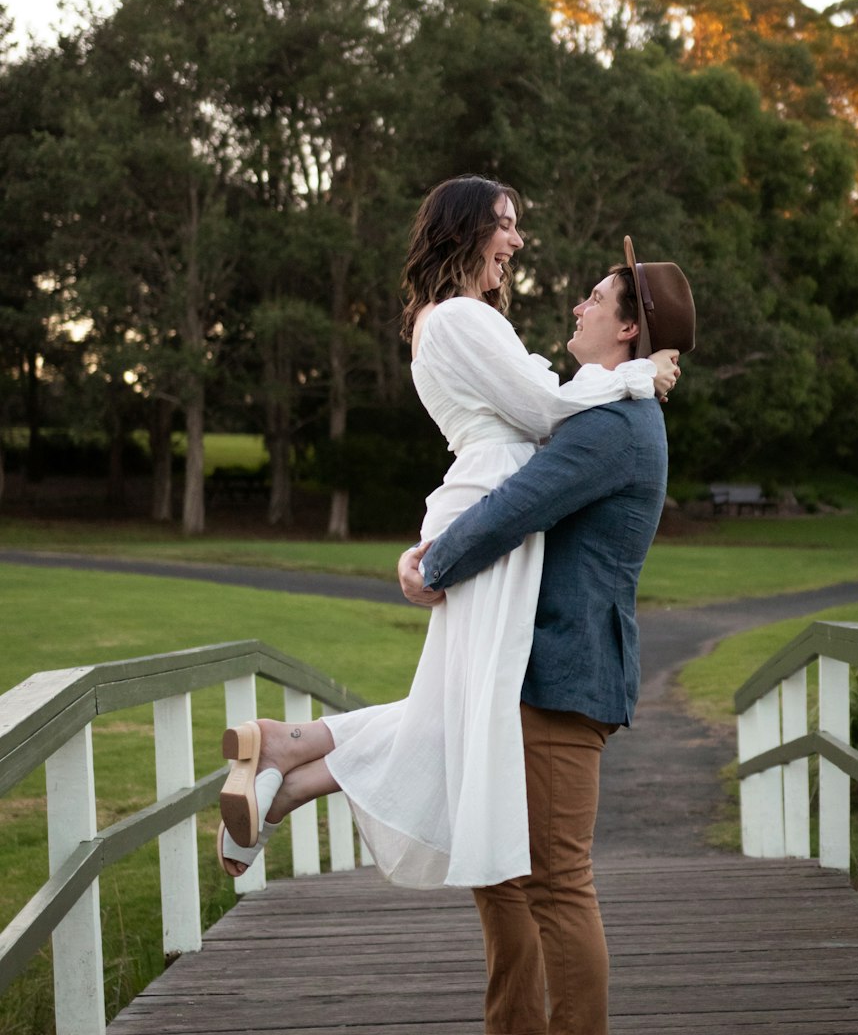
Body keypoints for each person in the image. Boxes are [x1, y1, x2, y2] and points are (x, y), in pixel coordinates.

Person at [216, 175, 679, 889]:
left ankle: (288, 753)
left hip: (484, 496)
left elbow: (541, 407)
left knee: (459, 704)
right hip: (490, 498)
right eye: (506, 223)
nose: (518, 241)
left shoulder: (462, 319)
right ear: (464, 228)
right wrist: (637, 376)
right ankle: (288, 766)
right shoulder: (463, 318)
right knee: (467, 710)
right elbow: (545, 408)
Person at [399, 241, 696, 1035]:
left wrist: (430, 564)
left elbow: (513, 508)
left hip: (567, 676)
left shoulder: (614, 427)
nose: (578, 305)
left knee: (557, 881)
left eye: (597, 297)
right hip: (530, 671)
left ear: (630, 327)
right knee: (497, 866)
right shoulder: (600, 410)